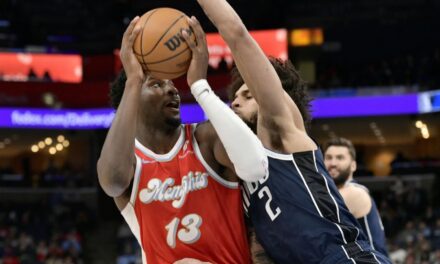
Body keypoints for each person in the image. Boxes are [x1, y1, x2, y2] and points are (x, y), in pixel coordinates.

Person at [195, 0, 392, 263]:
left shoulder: (282, 134)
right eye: (236, 97)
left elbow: (236, 33)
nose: (235, 102)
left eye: (248, 95)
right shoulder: (244, 174)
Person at [97, 15, 268, 263]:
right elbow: (112, 183)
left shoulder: (205, 138)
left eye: (172, 84)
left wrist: (200, 85)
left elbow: (255, 164)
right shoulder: (129, 162)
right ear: (131, 98)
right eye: (156, 84)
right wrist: (133, 79)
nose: (172, 89)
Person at [324, 137, 389, 256]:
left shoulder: (354, 192)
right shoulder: (337, 192)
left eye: (340, 158)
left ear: (353, 166)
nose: (333, 163)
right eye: (328, 158)